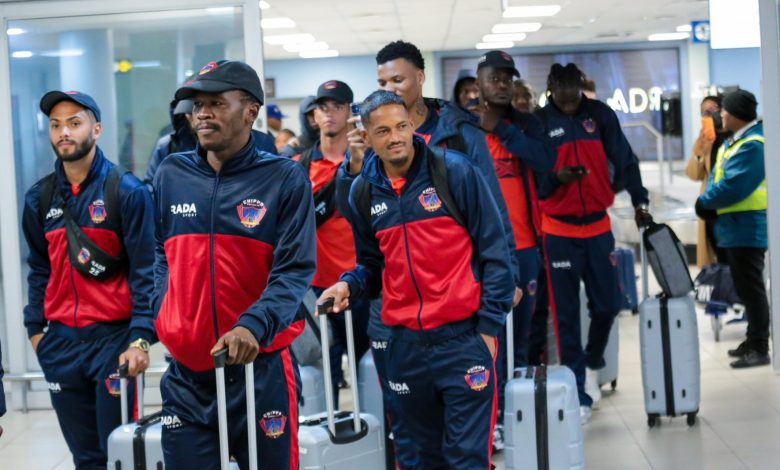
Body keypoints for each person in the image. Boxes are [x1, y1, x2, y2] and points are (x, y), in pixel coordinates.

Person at [337, 39, 521, 466]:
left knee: (466, 457)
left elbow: (494, 241)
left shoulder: (454, 164)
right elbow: (371, 262)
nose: (395, 137)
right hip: (402, 342)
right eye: (382, 130)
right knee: (418, 457)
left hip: (463, 336)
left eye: (401, 127)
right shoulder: (365, 188)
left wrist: (490, 324)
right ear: (369, 134)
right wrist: (350, 284)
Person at [151, 60, 316, 469]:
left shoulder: (285, 179)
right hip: (187, 376)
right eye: (197, 104)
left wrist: (252, 325)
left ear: (250, 110)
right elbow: (159, 252)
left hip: (260, 374)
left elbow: (294, 270)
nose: (202, 113)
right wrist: (164, 314)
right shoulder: (172, 174)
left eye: (215, 103)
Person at [22, 90, 156, 467]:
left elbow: (147, 270)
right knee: (85, 457)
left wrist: (141, 338)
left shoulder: (126, 191)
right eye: (56, 125)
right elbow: (39, 268)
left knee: (121, 453)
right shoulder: (39, 198)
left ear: (96, 130)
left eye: (74, 123)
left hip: (114, 343)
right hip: (60, 344)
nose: (64, 132)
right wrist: (37, 331)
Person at [535, 63, 653, 423]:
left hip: (598, 227)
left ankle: (593, 356)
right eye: (562, 87)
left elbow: (625, 159)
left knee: (608, 304)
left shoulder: (599, 115)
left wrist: (639, 202)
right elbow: (537, 181)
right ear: (552, 86)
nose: (570, 94)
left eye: (575, 87)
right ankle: (578, 390)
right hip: (559, 232)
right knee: (566, 316)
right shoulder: (539, 123)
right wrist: (558, 178)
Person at [473, 50, 556, 449]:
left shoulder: (527, 125)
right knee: (487, 338)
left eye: (508, 78)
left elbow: (546, 160)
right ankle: (491, 417)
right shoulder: (465, 127)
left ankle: (517, 413)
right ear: (480, 82)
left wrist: (503, 132)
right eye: (495, 77)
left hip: (524, 248)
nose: (502, 84)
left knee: (522, 337)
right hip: (480, 255)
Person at [293, 80, 369, 403]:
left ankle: (376, 440)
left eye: (338, 106)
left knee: (368, 370)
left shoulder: (368, 162)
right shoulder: (299, 166)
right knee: (324, 375)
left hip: (361, 283)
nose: (329, 114)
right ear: (314, 116)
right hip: (317, 288)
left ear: (350, 112)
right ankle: (328, 447)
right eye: (323, 107)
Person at [696, 89, 769, 369]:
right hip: (731, 227)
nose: (721, 115)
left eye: (725, 110)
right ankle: (752, 340)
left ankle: (760, 347)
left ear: (737, 114)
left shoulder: (753, 144)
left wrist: (705, 202)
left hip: (747, 227)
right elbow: (716, 176)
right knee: (743, 287)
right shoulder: (734, 141)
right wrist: (709, 201)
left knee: (752, 290)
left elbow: (735, 185)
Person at [686, 95, 731, 266]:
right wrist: (701, 147)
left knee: (732, 254)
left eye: (714, 110)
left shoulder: (734, 135)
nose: (711, 115)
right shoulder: (705, 140)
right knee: (718, 252)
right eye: (706, 112)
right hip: (712, 205)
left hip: (732, 203)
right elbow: (693, 174)